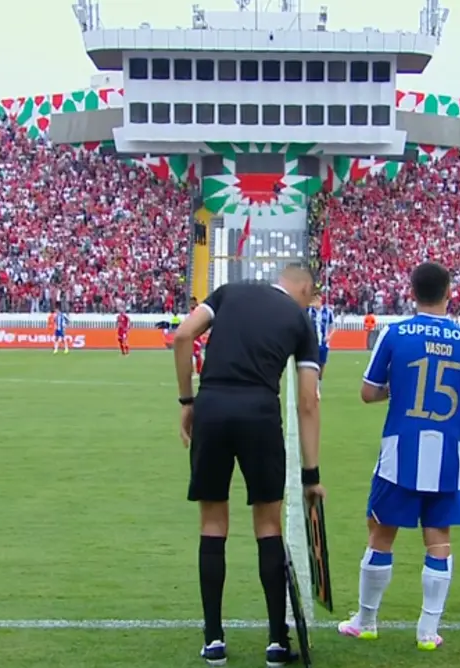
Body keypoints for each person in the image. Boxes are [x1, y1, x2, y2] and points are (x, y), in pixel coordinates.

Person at [173, 265, 324, 667]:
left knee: (212, 524)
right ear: (304, 288)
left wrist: (188, 402)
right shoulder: (299, 320)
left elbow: (183, 335)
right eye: (312, 296)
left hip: (213, 406)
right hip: (259, 411)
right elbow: (308, 402)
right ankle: (276, 641)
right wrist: (312, 475)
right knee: (268, 525)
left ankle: (214, 640)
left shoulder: (228, 293)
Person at [336, 262, 460, 651]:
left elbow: (369, 393)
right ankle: (427, 631)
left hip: (400, 453)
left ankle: (366, 621)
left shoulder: (396, 333)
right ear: (449, 291)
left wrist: (398, 390)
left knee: (381, 532)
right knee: (438, 539)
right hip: (446, 456)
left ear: (411, 291)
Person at [307, 292, 334, 378]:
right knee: (313, 364)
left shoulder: (328, 312)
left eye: (317, 299)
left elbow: (332, 327)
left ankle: (319, 381)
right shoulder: (309, 311)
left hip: (323, 343)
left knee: (322, 363)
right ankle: (314, 384)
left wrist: (329, 336)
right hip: (312, 342)